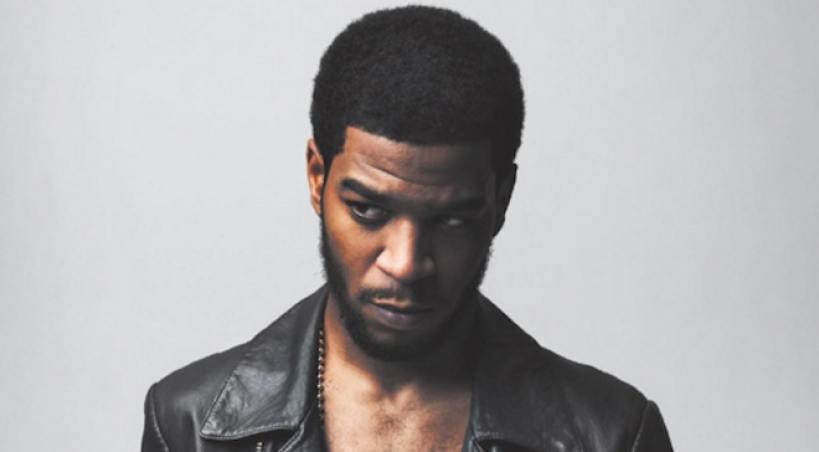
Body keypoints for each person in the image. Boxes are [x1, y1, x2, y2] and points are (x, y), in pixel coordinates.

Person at [141, 6, 673, 452]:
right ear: (317, 178)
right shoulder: (190, 426)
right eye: (368, 211)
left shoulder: (612, 436)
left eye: (451, 220)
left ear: (501, 201)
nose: (406, 263)